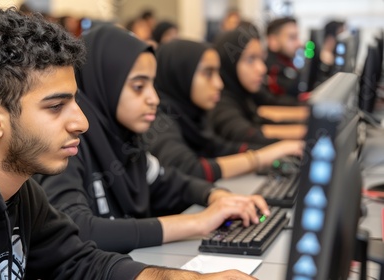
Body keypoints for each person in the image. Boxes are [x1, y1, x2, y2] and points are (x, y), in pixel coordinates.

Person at [0, 7, 256, 280]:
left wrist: (193, 279)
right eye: (56, 106)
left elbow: (83, 263)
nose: (82, 122)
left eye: (75, 101)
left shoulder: (21, 189)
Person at [35, 24, 269, 255]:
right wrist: (198, 223)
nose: (154, 99)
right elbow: (77, 229)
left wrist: (218, 196)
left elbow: (173, 183)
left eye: (153, 85)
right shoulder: (68, 146)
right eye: (139, 86)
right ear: (105, 84)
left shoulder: (126, 143)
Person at [146, 39, 304, 182]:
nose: (219, 84)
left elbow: (219, 148)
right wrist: (260, 157)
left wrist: (278, 151)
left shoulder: (193, 115)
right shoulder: (157, 122)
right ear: (180, 75)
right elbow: (190, 169)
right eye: (208, 74)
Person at [209, 25, 307, 145]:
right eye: (251, 60)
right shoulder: (220, 104)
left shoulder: (242, 96)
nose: (262, 69)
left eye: (261, 58)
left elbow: (261, 121)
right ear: (229, 64)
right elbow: (247, 134)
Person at [265, 17, 302, 99]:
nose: (299, 43)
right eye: (292, 37)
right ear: (273, 41)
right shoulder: (272, 72)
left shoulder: (287, 64)